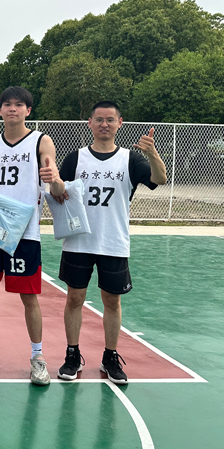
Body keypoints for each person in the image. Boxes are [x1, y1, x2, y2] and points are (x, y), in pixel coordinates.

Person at [56, 101, 167, 385]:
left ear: (120, 123)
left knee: (112, 301)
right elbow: (58, 192)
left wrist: (153, 153)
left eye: (110, 120)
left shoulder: (131, 159)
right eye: (99, 119)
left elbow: (160, 179)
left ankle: (110, 356)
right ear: (90, 123)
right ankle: (72, 354)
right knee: (74, 298)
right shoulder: (75, 159)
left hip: (113, 241)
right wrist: (52, 184)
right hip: (78, 241)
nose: (104, 124)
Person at [0, 87, 65, 386]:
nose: (12, 109)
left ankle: (38, 357)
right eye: (7, 104)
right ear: (0, 110)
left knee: (29, 296)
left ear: (28, 110)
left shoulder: (41, 141)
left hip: (25, 234)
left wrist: (54, 180)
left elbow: (57, 189)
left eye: (19, 105)